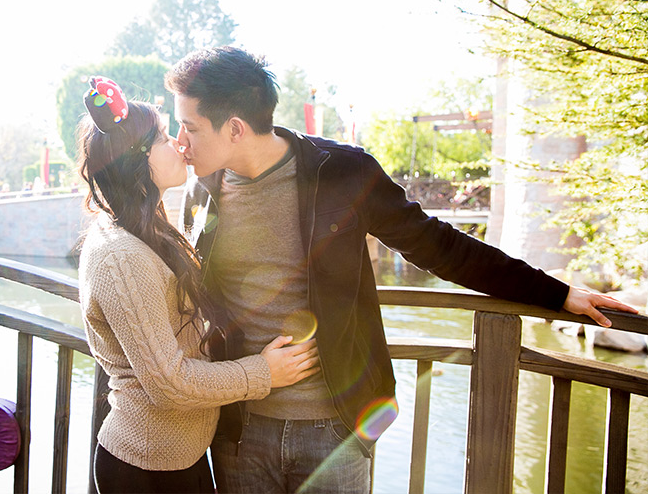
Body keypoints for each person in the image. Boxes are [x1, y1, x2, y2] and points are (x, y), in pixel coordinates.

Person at [163, 46, 638, 494]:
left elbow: (441, 247)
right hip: (239, 430)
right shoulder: (204, 189)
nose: (180, 141)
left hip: (337, 429)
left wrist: (556, 294)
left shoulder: (344, 173)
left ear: (236, 129)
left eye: (190, 127)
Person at [76, 75, 320, 494]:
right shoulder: (121, 255)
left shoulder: (147, 226)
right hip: (146, 469)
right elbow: (169, 383)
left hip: (177, 459)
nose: (180, 145)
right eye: (166, 138)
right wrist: (263, 372)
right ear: (138, 160)